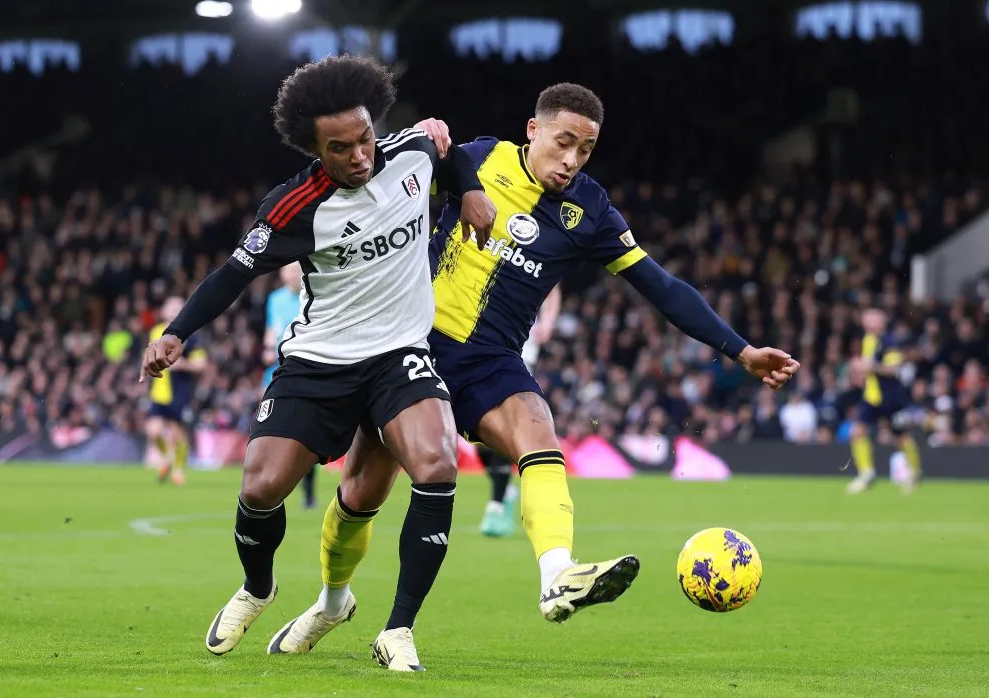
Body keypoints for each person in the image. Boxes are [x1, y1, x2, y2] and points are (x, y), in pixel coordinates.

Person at [289, 82, 800, 664]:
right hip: (412, 347)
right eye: (563, 143)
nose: (572, 160)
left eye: (586, 150)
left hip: (491, 362)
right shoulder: (478, 159)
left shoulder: (591, 211)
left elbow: (661, 287)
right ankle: (332, 602)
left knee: (539, 433)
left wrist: (740, 350)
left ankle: (554, 575)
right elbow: (383, 182)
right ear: (532, 130)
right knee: (361, 491)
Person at [139, 55, 495, 667]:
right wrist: (178, 333)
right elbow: (233, 272)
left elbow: (448, 149)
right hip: (319, 360)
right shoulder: (293, 207)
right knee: (262, 484)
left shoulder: (409, 154)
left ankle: (399, 628)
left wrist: (470, 188)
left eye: (364, 139)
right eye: (341, 148)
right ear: (314, 150)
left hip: (399, 354)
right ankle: (258, 587)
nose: (360, 156)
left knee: (436, 466)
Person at [479, 284, 561, 537]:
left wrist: (547, 321)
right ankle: (504, 489)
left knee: (505, 417)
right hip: (480, 345)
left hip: (518, 351)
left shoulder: (530, 247)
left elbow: (553, 287)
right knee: (478, 429)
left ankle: (496, 504)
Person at [846, 308, 921, 494]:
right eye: (866, 318)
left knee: (901, 437)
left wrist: (870, 366)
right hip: (872, 397)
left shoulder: (890, 342)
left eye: (872, 318)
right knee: (857, 431)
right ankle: (866, 473)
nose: (867, 321)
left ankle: (914, 472)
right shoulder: (867, 340)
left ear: (881, 322)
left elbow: (893, 369)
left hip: (891, 398)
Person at [261, 262, 317, 509]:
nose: (292, 274)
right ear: (281, 274)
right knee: (273, 430)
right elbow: (271, 330)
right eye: (288, 270)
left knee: (307, 433)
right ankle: (271, 487)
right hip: (277, 370)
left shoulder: (313, 292)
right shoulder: (274, 299)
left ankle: (307, 491)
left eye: (296, 270)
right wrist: (266, 346)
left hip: (306, 369)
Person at [145, 295, 207, 485]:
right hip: (159, 390)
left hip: (180, 390)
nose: (173, 311)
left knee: (176, 434)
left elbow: (201, 364)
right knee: (153, 431)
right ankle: (168, 459)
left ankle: (178, 470)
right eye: (170, 307)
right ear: (163, 311)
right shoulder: (155, 331)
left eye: (178, 308)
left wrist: (183, 364)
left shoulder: (191, 335)